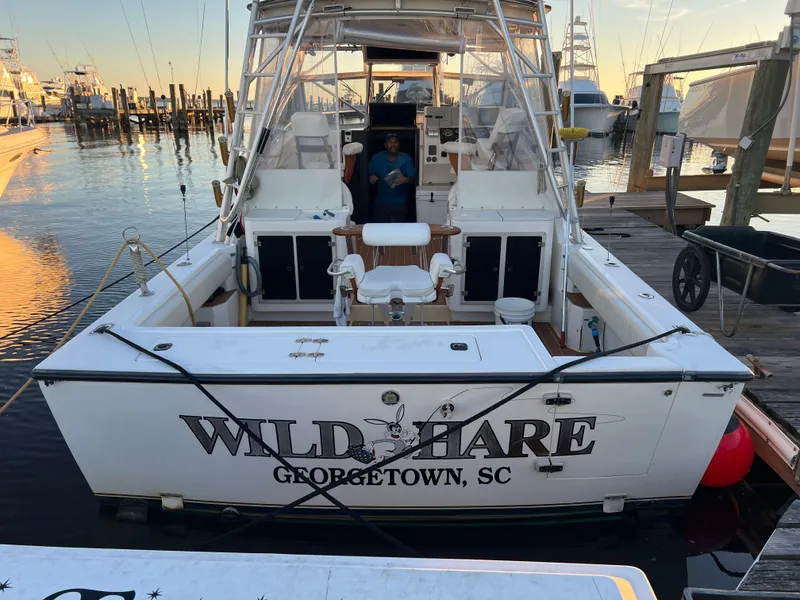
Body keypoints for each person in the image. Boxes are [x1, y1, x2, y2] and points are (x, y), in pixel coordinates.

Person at [368, 133, 415, 222]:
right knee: (380, 228)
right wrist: (372, 177)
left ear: (399, 144)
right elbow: (369, 175)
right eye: (390, 142)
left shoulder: (406, 158)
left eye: (395, 142)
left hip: (399, 202)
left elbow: (413, 179)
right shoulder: (377, 157)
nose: (393, 144)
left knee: (397, 228)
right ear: (385, 145)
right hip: (381, 202)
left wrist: (406, 179)